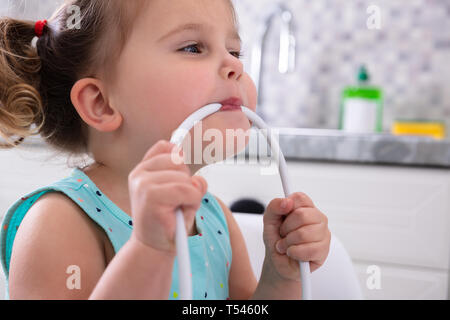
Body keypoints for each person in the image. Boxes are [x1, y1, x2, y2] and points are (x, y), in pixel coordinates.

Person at [0, 0, 331, 300]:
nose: (234, 65)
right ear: (101, 103)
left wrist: (281, 278)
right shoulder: (57, 222)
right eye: (192, 47)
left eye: (235, 50)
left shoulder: (215, 218)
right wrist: (149, 249)